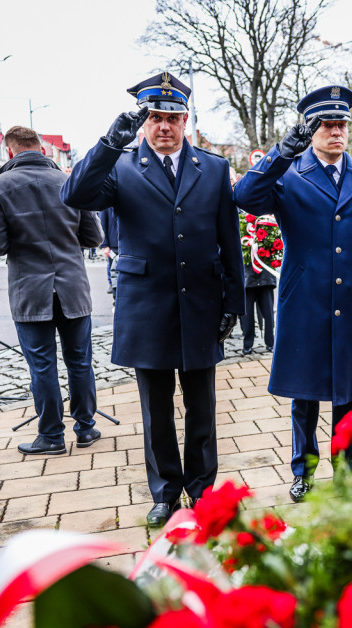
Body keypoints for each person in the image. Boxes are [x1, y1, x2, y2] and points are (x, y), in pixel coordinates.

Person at [62, 72, 245, 527]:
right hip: (147, 305)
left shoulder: (213, 168)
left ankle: (202, 490)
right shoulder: (121, 166)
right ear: (143, 121)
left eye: (172, 117)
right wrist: (109, 143)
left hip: (201, 302)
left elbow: (229, 238)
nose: (164, 125)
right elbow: (74, 194)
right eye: (155, 117)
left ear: (186, 120)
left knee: (202, 407)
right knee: (156, 410)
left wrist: (234, 302)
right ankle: (165, 492)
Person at [233, 84, 352, 502]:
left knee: (350, 394)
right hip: (304, 299)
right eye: (327, 125)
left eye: (342, 123)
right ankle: (303, 469)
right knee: (304, 394)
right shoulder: (288, 173)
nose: (336, 131)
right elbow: (245, 197)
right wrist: (282, 151)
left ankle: (347, 469)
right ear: (311, 130)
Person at [0, 126, 103, 455]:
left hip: (30, 290)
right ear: (42, 149)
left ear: (9, 152)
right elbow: (94, 238)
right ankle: (86, 428)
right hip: (73, 287)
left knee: (42, 366)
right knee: (80, 362)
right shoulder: (69, 182)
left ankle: (51, 436)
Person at [240, 215, 278, 354]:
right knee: (247, 315)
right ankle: (247, 344)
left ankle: (270, 342)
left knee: (268, 313)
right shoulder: (241, 220)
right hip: (247, 277)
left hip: (265, 277)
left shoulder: (266, 218)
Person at [99, 207, 118, 296]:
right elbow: (102, 224)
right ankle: (113, 288)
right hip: (113, 244)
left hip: (126, 243)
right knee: (113, 269)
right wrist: (105, 245)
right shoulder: (107, 206)